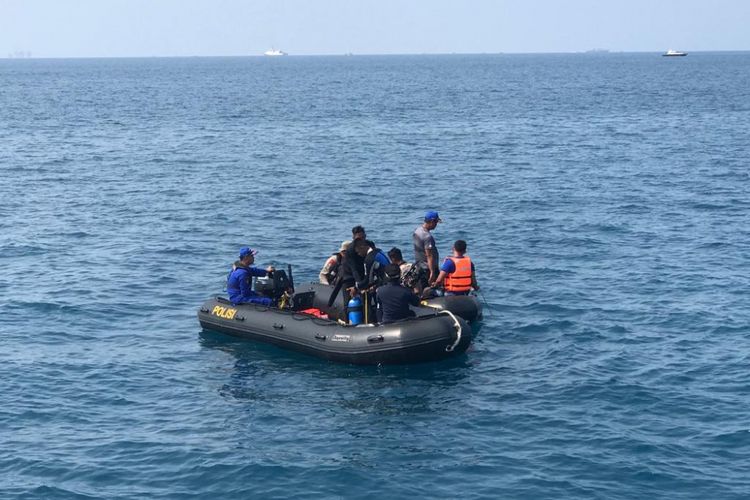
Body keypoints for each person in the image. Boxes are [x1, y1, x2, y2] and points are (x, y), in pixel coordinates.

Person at [413, 210, 441, 291]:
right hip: (427, 268)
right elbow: (429, 255)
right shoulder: (427, 236)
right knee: (431, 290)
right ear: (432, 221)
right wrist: (432, 272)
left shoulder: (417, 231)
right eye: (436, 222)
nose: (436, 225)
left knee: (422, 288)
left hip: (419, 265)